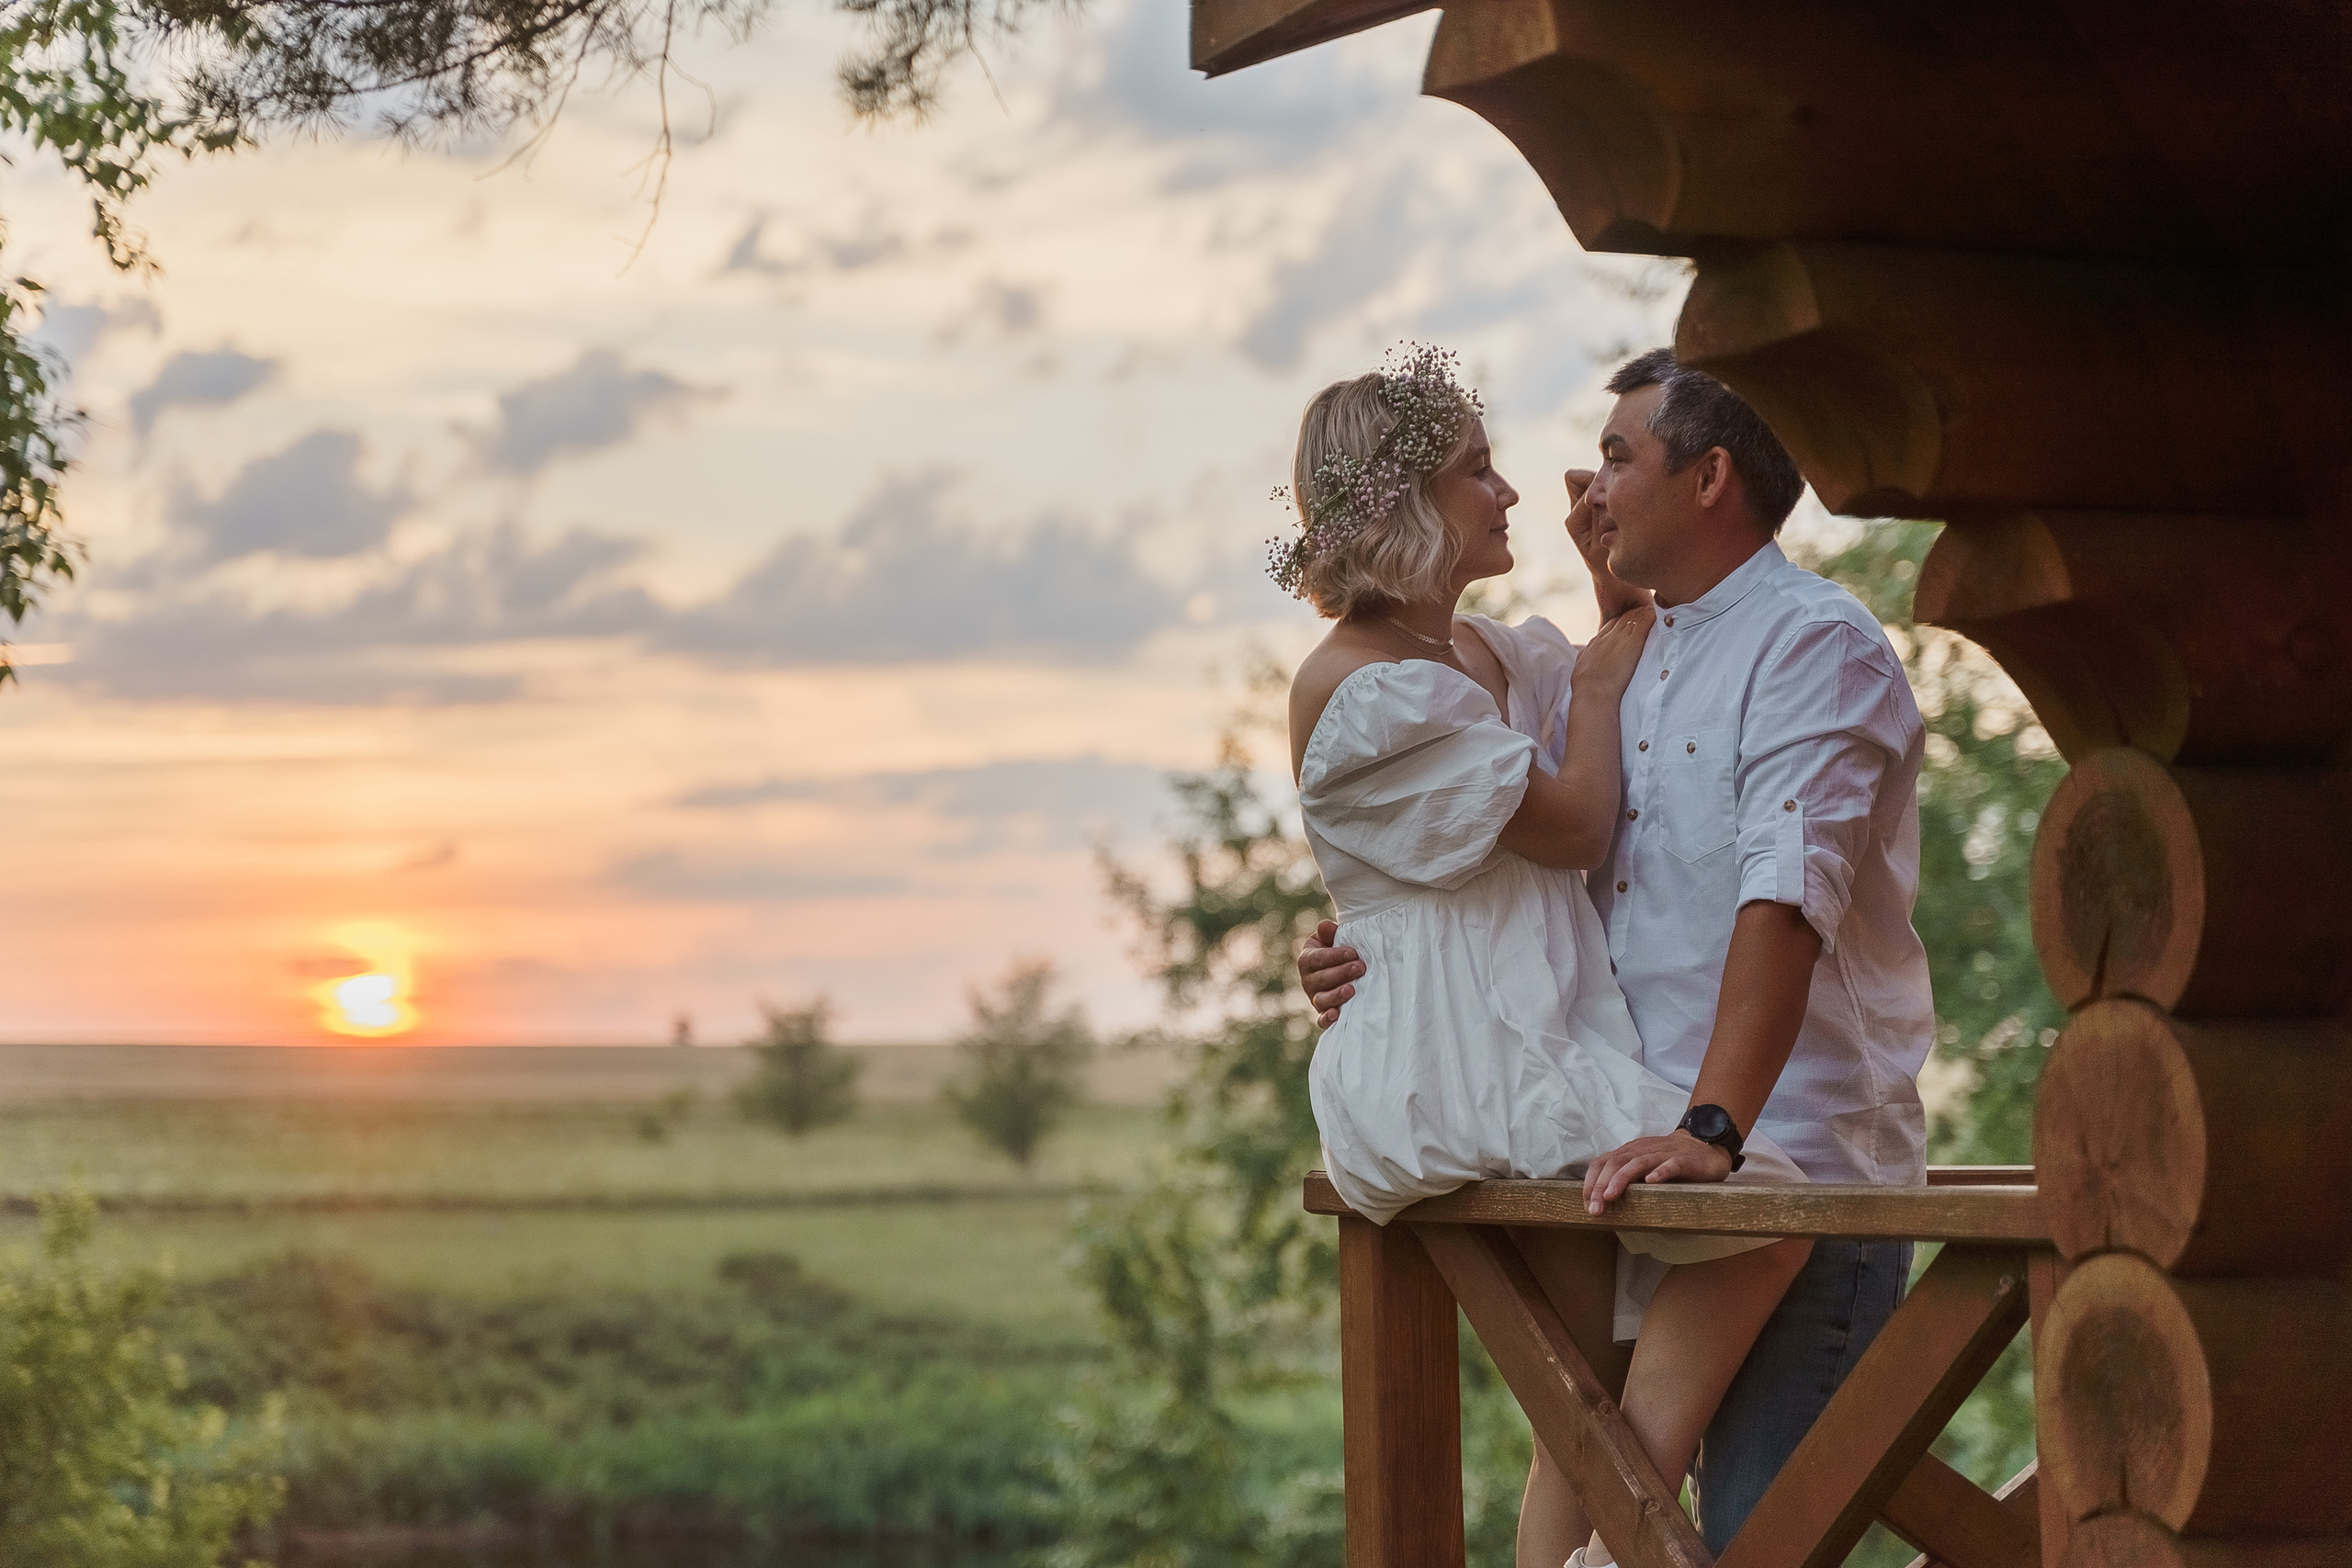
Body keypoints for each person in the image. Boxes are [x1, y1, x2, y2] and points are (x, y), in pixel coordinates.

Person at [1298, 346, 1933, 1555]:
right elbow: (1482, 844)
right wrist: (1356, 937)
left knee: (1742, 1536)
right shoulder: (1622, 660)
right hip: (1613, 1140)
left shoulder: (1813, 648)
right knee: (1593, 1458)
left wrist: (1710, 1133)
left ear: (1707, 479)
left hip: (1776, 1150)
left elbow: (1783, 904)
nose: (1579, 491)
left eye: (1618, 459)